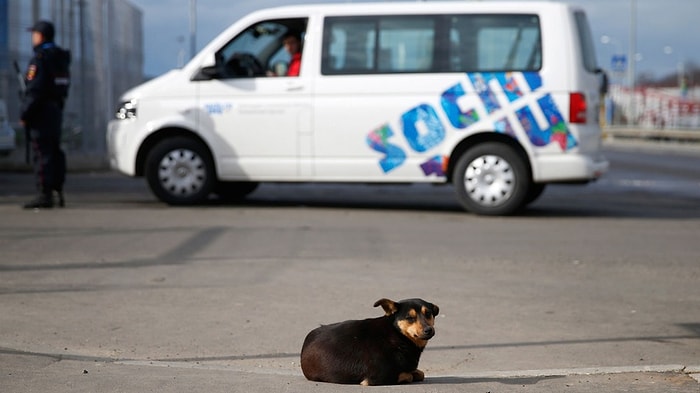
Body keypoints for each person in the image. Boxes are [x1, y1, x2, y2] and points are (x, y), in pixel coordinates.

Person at [20, 21, 70, 209]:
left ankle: (44, 193)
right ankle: (58, 190)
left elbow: (35, 89)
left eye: (34, 34)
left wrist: (25, 113)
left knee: (41, 153)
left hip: (40, 111)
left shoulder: (40, 58)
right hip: (55, 109)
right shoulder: (61, 57)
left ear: (40, 35)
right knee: (54, 151)